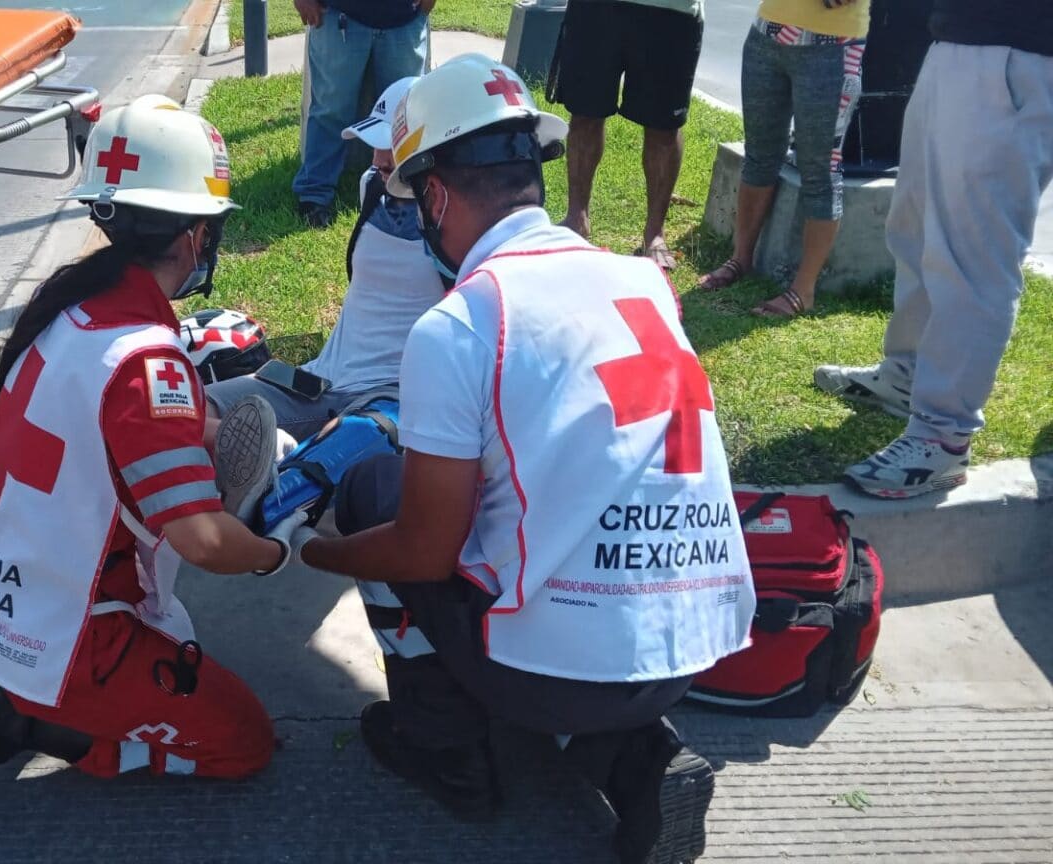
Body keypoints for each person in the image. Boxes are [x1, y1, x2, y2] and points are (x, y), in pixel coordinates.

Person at [268, 55, 755, 860]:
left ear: (434, 196)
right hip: (686, 652)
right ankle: (640, 757)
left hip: (550, 673)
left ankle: (442, 744)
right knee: (556, 576)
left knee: (373, 488)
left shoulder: (461, 323)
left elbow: (423, 551)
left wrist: (315, 551)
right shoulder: (642, 282)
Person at [0, 102, 301, 801]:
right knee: (245, 743)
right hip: (74, 636)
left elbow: (122, 430)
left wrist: (210, 436)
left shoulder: (69, 310)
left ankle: (14, 692)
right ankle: (36, 725)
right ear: (197, 235)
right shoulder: (147, 362)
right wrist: (273, 552)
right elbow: (203, 541)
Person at [813, 0, 1052, 498]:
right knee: (915, 230)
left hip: (1018, 52)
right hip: (957, 40)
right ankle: (908, 376)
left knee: (973, 255)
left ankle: (943, 437)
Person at [205, 76, 447, 450]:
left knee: (312, 465)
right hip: (320, 380)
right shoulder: (373, 185)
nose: (379, 159)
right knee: (196, 409)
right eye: (375, 145)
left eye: (391, 146)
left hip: (386, 397)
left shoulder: (454, 222)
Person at [696, 0, 870, 317]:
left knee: (820, 169)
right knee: (759, 155)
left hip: (834, 46)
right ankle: (741, 258)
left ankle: (803, 290)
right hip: (768, 33)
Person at [550, 0, 705, 270]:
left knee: (664, 128)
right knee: (585, 114)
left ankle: (654, 234)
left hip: (671, 12)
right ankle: (576, 218)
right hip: (596, 10)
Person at [292, 0, 430, 228]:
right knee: (330, 111)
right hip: (337, 15)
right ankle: (314, 195)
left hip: (405, 18)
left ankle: (408, 190)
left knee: (405, 115)